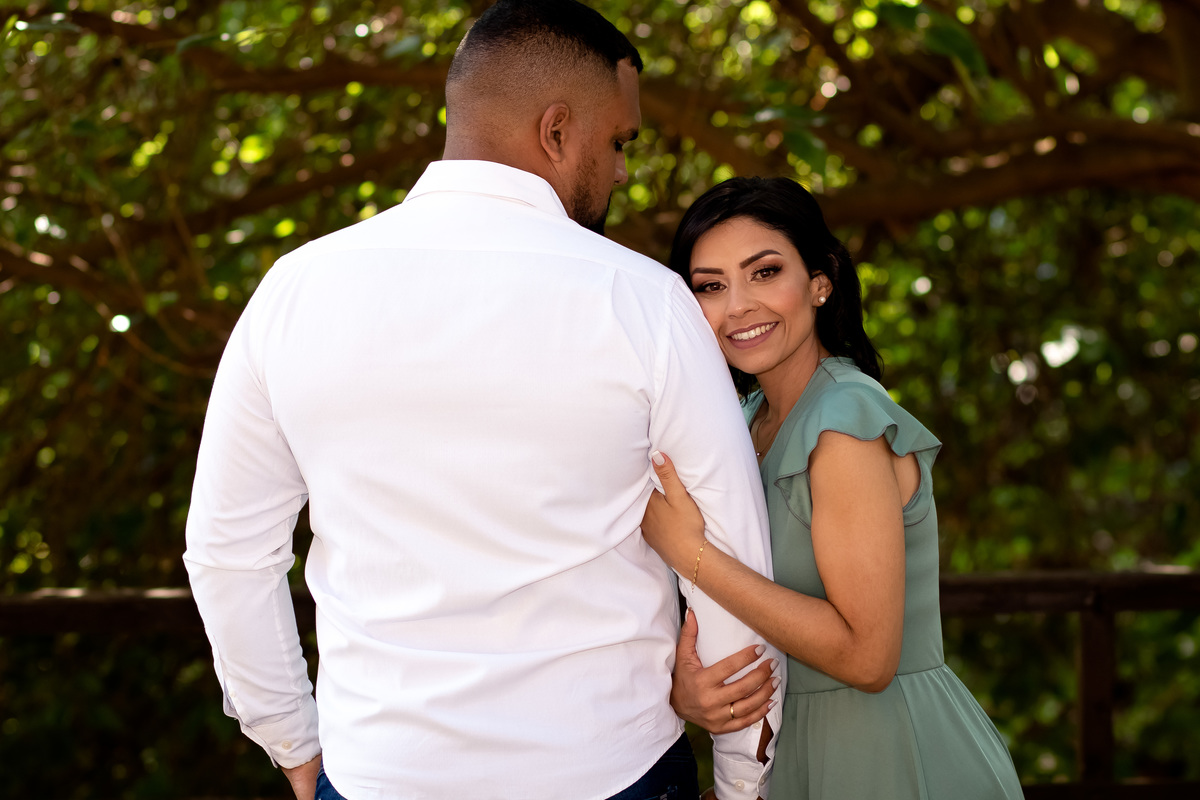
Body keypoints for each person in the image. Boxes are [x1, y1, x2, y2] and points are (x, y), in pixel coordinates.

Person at [183, 3, 783, 800]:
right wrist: (744, 779)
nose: (622, 171)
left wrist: (291, 740)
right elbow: (727, 550)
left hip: (380, 776)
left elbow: (227, 554)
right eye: (619, 142)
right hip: (611, 772)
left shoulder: (295, 292)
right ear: (557, 131)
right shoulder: (643, 301)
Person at [641, 176, 1024, 799]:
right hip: (792, 753)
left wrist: (692, 554)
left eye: (764, 272)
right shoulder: (746, 422)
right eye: (711, 286)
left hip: (883, 753)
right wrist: (689, 694)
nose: (737, 306)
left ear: (821, 281)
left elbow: (867, 658)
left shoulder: (844, 421)